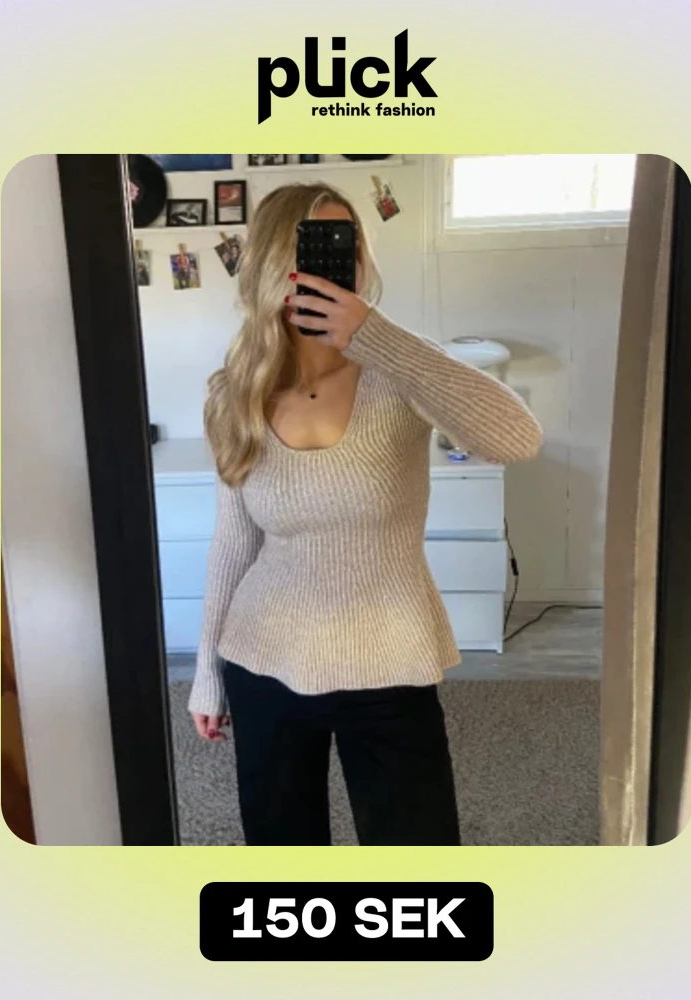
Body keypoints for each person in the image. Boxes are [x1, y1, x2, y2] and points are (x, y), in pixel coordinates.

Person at [189, 182, 543, 846]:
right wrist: (207, 672)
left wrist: (377, 337)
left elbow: (519, 440)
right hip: (264, 656)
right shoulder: (236, 395)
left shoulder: (398, 373)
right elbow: (233, 544)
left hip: (390, 659)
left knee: (418, 858)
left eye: (344, 248)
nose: (334, 266)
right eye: (312, 249)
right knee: (282, 861)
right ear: (273, 265)